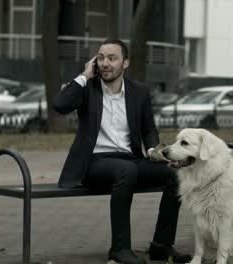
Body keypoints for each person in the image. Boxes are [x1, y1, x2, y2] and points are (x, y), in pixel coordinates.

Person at [53, 38, 191, 264]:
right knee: (126, 170)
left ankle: (161, 245)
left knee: (174, 173)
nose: (105, 63)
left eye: (112, 58)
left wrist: (153, 148)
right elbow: (59, 105)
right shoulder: (87, 89)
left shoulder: (138, 92)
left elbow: (148, 129)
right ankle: (119, 249)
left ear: (125, 63)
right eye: (100, 58)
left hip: (129, 160)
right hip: (94, 163)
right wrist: (85, 75)